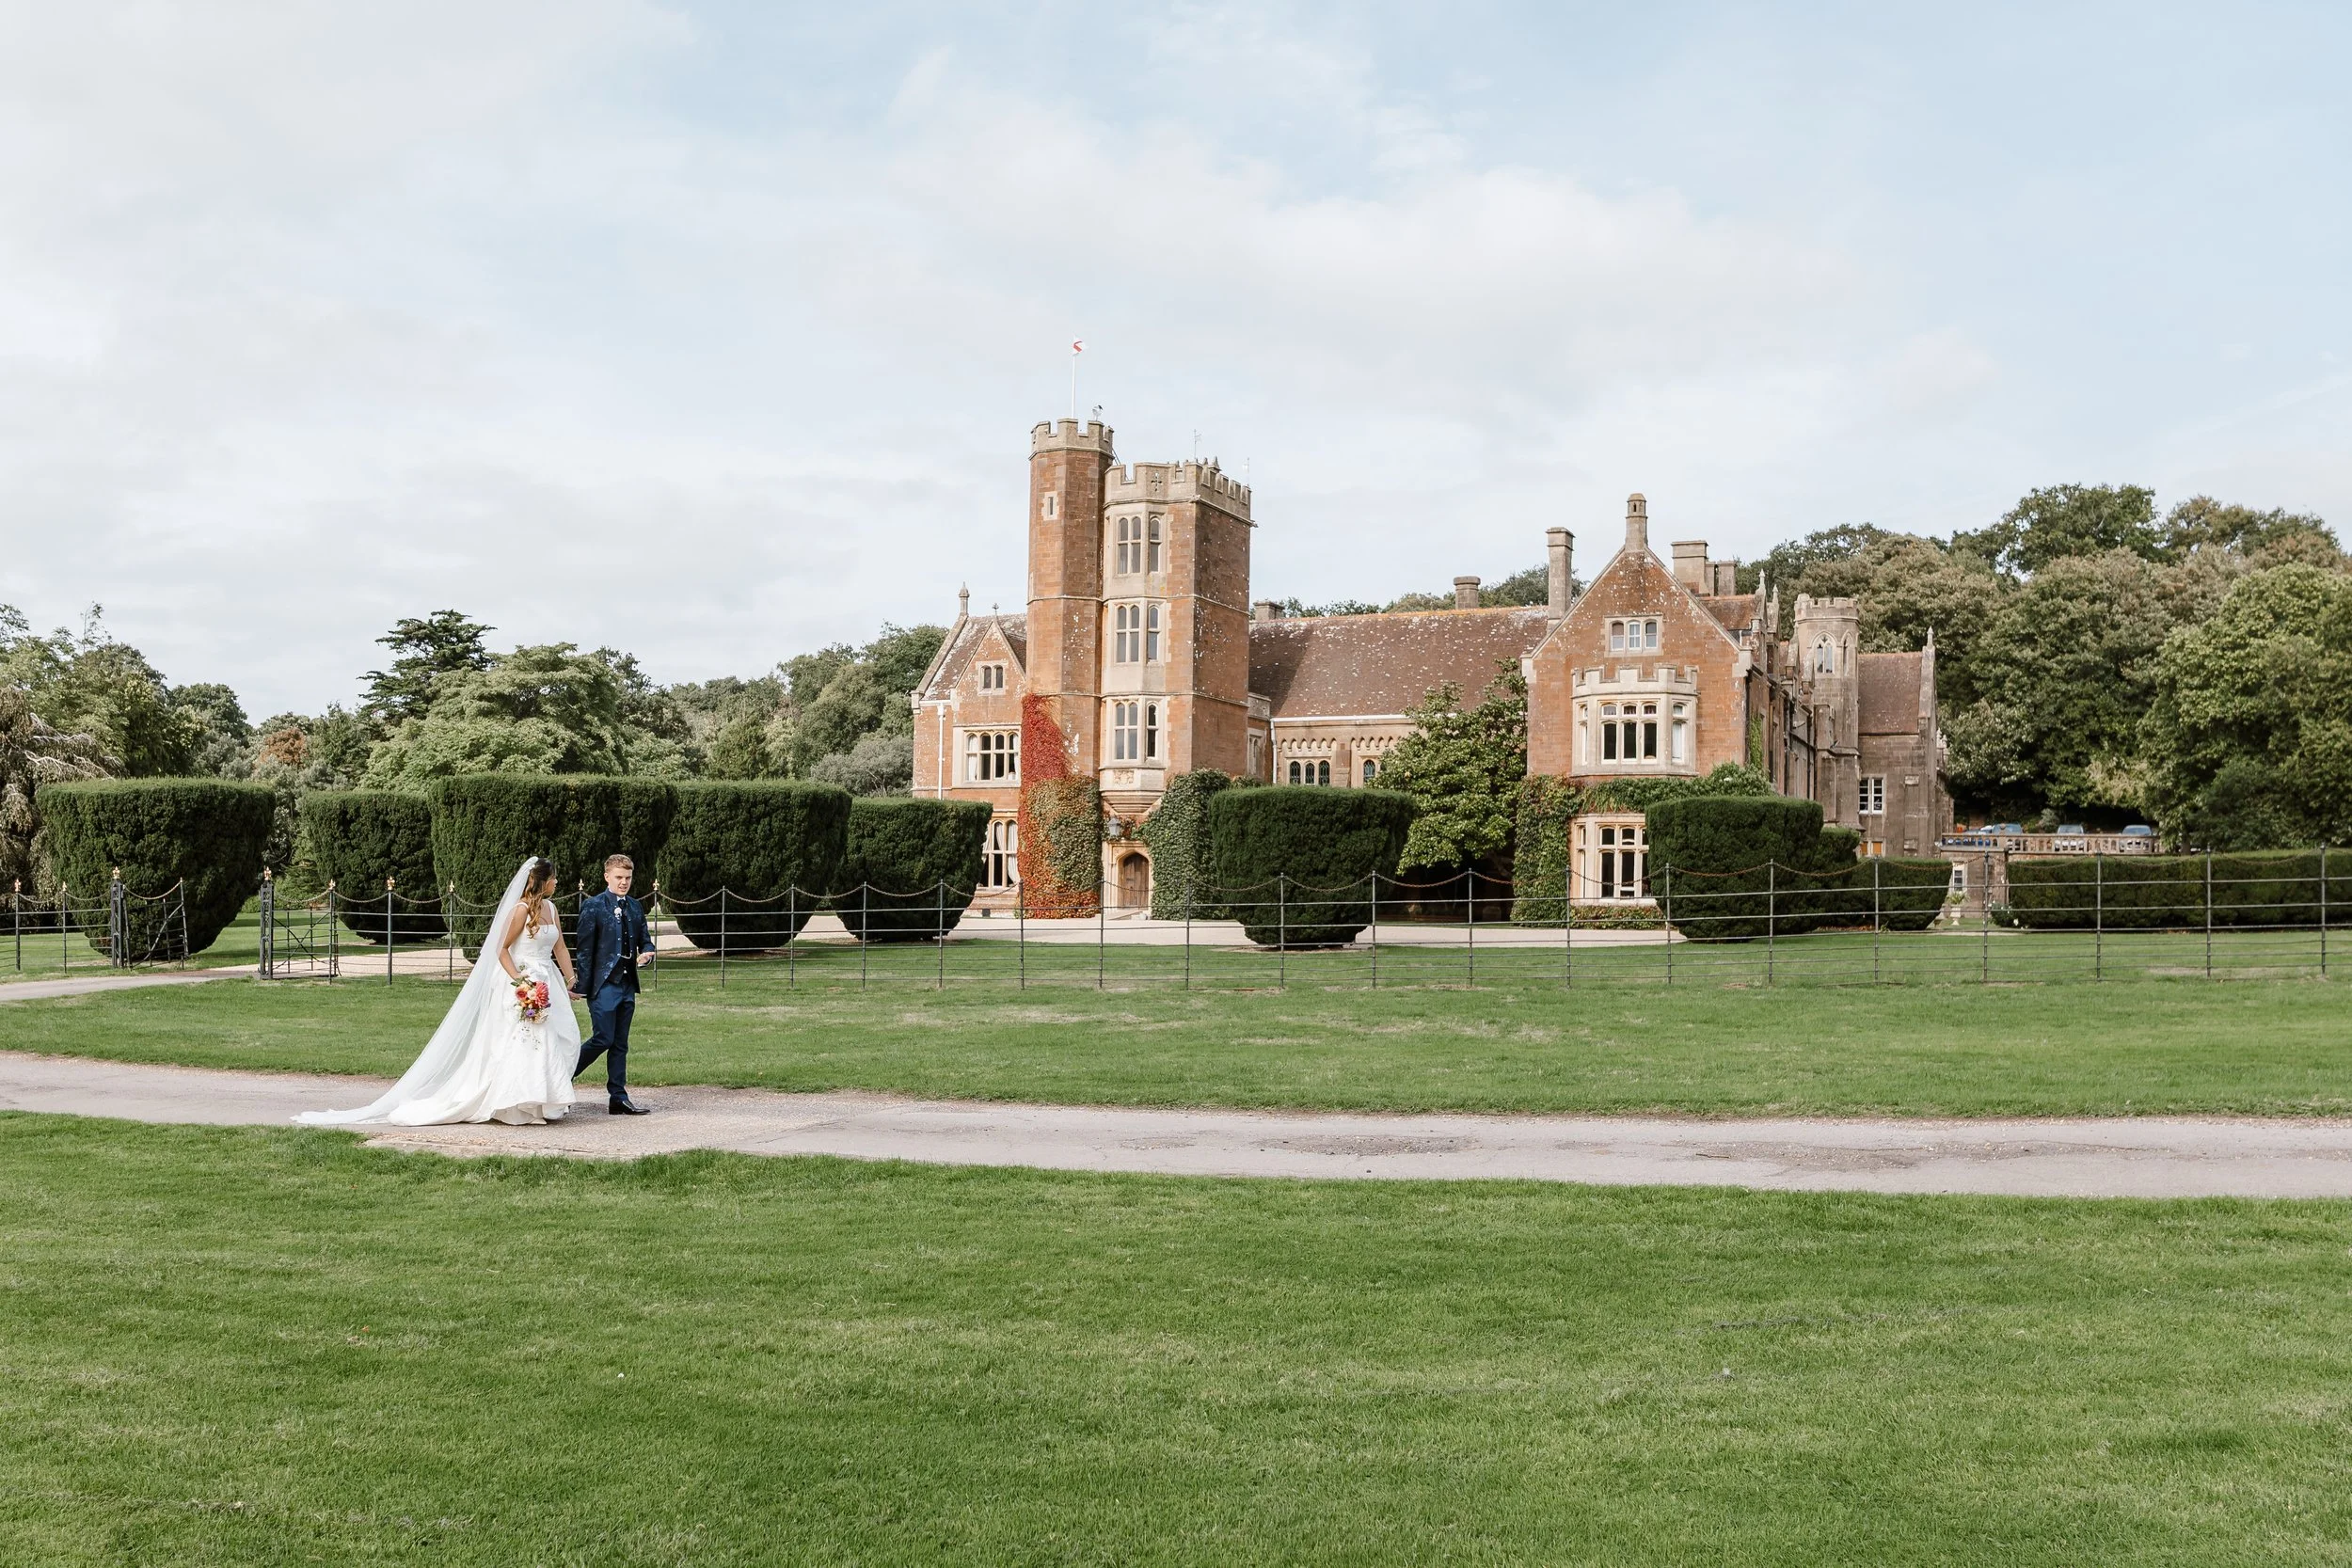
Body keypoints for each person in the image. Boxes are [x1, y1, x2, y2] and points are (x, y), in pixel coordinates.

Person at [295, 857, 580, 1127]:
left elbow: (560, 948)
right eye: (554, 879)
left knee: (560, 1036)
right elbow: (501, 949)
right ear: (543, 882)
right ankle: (519, 1106)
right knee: (526, 1041)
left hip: (547, 981)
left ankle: (544, 1101)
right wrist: (520, 980)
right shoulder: (520, 911)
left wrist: (569, 978)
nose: (557, 883)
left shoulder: (551, 909)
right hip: (522, 982)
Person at [572, 852, 654, 1116]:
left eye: (628, 878)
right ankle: (562, 1076)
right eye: (619, 877)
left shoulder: (635, 906)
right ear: (607, 876)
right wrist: (582, 987)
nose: (624, 882)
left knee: (620, 1043)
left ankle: (618, 1097)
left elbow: (645, 939)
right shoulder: (593, 906)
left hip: (627, 984)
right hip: (603, 985)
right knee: (603, 1038)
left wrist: (647, 953)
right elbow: (584, 950)